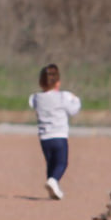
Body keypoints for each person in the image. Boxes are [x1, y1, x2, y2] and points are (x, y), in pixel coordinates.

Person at [30, 63, 82, 201]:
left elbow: (32, 103)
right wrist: (75, 99)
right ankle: (53, 181)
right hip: (59, 136)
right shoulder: (63, 96)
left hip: (44, 137)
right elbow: (73, 110)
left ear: (41, 83)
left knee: (50, 163)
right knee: (62, 163)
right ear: (58, 82)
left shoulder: (36, 97)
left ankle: (53, 189)